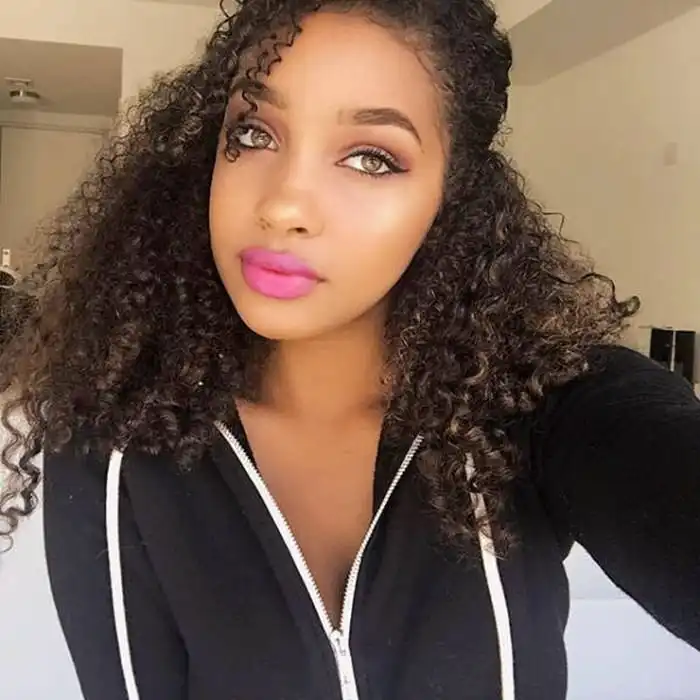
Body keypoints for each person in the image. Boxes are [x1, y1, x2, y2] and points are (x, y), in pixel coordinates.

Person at [1, 1, 698, 698]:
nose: (284, 205)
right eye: (253, 133)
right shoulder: (117, 434)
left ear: (449, 200)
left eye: (371, 158)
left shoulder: (532, 407)